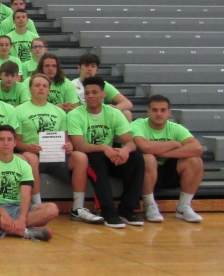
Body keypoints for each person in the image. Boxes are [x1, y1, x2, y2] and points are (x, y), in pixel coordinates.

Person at [15, 73, 102, 225]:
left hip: (55, 155)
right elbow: (16, 142)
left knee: (80, 157)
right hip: (32, 154)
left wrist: (68, 146)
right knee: (31, 157)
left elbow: (66, 140)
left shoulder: (59, 112)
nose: (41, 89)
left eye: (44, 86)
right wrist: (29, 147)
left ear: (49, 90)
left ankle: (78, 208)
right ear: (30, 89)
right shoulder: (19, 111)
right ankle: (36, 204)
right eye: (37, 85)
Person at [68, 77, 145, 229]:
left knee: (136, 158)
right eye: (87, 93)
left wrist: (125, 150)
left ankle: (127, 208)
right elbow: (80, 146)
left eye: (94, 92)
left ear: (104, 94)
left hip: (110, 156)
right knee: (96, 158)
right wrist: (104, 147)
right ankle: (107, 209)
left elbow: (130, 142)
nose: (90, 96)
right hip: (89, 157)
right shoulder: (75, 115)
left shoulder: (114, 113)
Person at [0, 125, 58, 241]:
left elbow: (26, 196)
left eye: (9, 139)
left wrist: (22, 218)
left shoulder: (24, 165)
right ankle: (26, 231)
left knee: (52, 209)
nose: (5, 143)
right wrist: (3, 214)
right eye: (1, 139)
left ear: (15, 143)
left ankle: (2, 229)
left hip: (18, 207)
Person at [131, 95, 204, 223]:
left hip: (168, 170)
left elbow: (197, 148)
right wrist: (173, 144)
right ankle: (150, 205)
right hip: (144, 171)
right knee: (148, 158)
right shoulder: (138, 124)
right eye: (154, 110)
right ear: (148, 112)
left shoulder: (175, 128)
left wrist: (164, 154)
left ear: (169, 112)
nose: (159, 114)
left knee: (195, 160)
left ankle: (183, 206)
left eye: (163, 110)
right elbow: (144, 147)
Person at [73, 53, 134, 121]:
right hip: (79, 117)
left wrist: (113, 108)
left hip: (99, 117)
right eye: (86, 66)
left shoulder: (103, 84)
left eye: (93, 66)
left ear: (97, 69)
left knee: (126, 113)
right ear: (79, 68)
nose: (90, 69)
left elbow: (128, 103)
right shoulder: (71, 85)